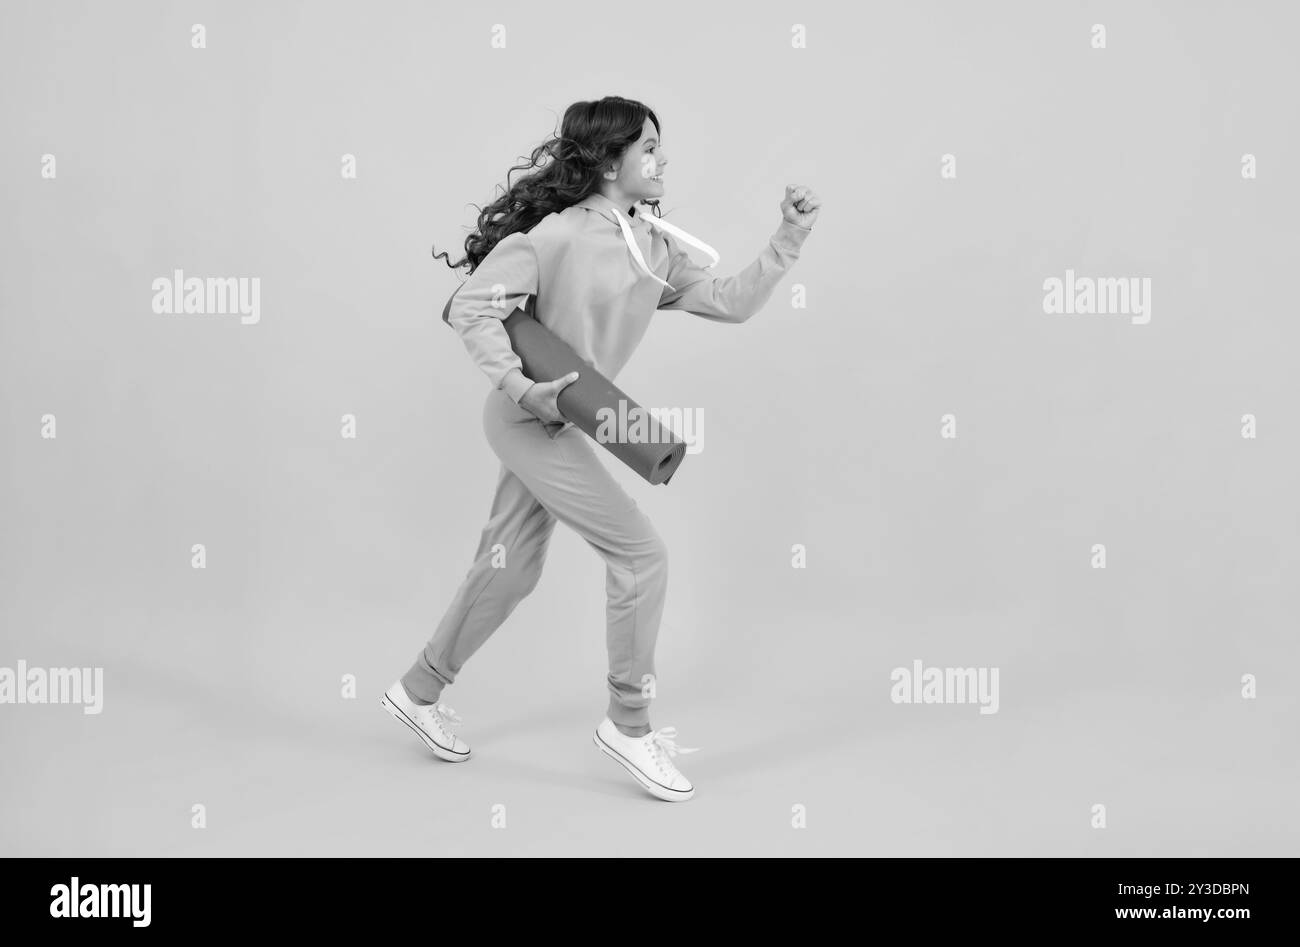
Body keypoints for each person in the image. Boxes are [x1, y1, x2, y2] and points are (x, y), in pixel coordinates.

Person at [381, 95, 820, 802]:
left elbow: (732, 302)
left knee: (511, 567)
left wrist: (787, 238)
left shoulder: (654, 247)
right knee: (641, 556)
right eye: (649, 146)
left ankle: (418, 689)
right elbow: (473, 304)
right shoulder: (556, 236)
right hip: (528, 419)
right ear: (610, 160)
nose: (662, 158)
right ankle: (629, 723)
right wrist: (524, 390)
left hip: (573, 418)